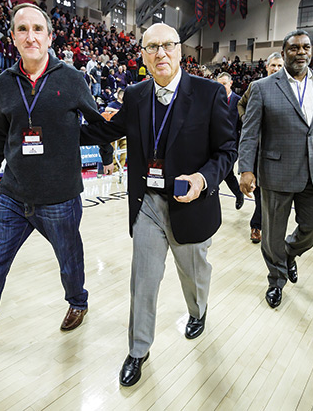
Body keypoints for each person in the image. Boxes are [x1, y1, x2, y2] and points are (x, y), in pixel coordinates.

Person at [0, 3, 106, 367]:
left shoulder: (72, 78)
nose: (30, 36)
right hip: (14, 195)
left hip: (60, 197)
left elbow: (97, 123)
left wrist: (109, 153)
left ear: (50, 37)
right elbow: (0, 131)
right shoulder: (4, 82)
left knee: (69, 261)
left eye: (38, 29)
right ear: (13, 38)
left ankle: (77, 301)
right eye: (22, 30)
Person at [81, 23, 236, 387]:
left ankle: (198, 311)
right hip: (148, 203)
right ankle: (138, 350)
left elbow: (227, 151)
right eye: (152, 47)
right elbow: (106, 130)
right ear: (143, 56)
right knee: (143, 280)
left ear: (181, 51)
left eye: (167, 46)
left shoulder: (210, 93)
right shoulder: (135, 95)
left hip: (191, 205)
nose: (160, 53)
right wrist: (59, 125)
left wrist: (202, 179)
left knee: (194, 276)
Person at [238, 29, 313, 309]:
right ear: (284, 53)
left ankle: (288, 253)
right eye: (294, 48)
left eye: (306, 47)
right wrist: (246, 169)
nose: (301, 52)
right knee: (272, 234)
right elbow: (249, 132)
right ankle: (276, 280)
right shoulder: (262, 87)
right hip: (276, 172)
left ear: (311, 51)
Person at [237, 52, 284, 243]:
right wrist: (247, 120)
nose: (276, 69)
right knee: (259, 192)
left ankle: (267, 226)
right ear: (266, 67)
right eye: (273, 65)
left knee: (273, 193)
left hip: (279, 149)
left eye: (280, 66)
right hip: (258, 147)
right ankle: (256, 225)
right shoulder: (256, 87)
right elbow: (241, 104)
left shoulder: (288, 89)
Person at [216, 71, 244, 209]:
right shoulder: (214, 99)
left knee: (224, 172)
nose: (221, 87)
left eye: (224, 84)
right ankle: (238, 194)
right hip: (215, 144)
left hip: (232, 146)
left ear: (231, 83)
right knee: (225, 173)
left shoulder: (239, 101)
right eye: (219, 84)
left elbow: (243, 127)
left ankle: (237, 194)